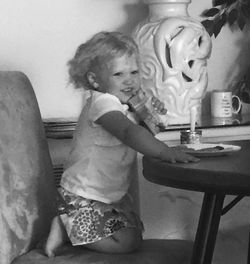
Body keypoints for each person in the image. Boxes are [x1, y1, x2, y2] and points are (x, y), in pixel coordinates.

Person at [44, 31, 199, 257]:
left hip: (109, 196)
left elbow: (148, 132)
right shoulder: (102, 104)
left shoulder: (123, 106)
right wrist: (165, 152)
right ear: (95, 80)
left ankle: (71, 229)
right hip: (85, 193)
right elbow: (128, 133)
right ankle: (65, 225)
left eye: (134, 72)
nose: (129, 79)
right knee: (124, 244)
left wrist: (149, 113)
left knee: (134, 237)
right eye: (119, 74)